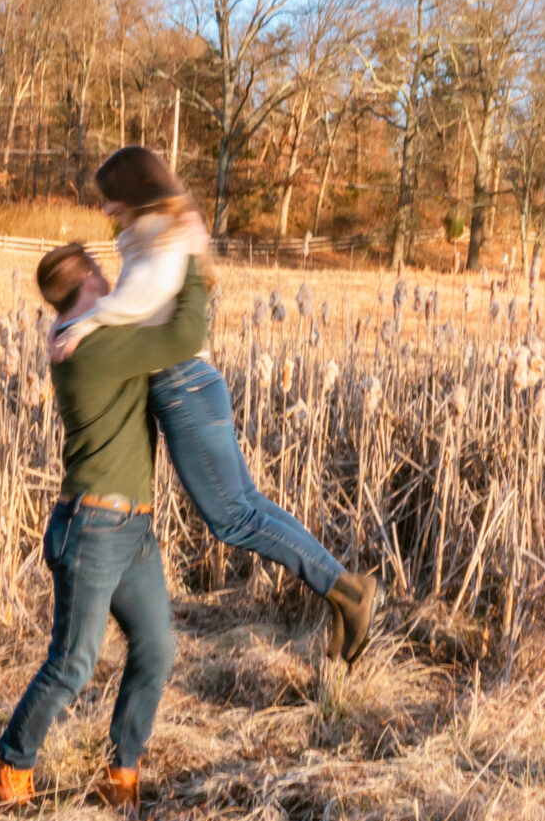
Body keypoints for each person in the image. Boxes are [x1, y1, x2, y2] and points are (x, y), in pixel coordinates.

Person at [56, 145, 376, 665]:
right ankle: (345, 592)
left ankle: (346, 592)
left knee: (231, 517)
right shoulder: (156, 230)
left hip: (182, 384)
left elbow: (140, 300)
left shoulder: (163, 235)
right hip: (194, 384)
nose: (106, 209)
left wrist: (86, 321)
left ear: (133, 191)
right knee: (247, 504)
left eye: (110, 198)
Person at [0, 244, 209, 811]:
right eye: (101, 269)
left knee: (156, 649)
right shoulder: (92, 349)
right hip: (94, 526)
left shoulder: (85, 332)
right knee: (74, 661)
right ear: (87, 276)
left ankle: (122, 771)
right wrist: (186, 261)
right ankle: (11, 766)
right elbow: (182, 336)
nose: (111, 275)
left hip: (131, 527)